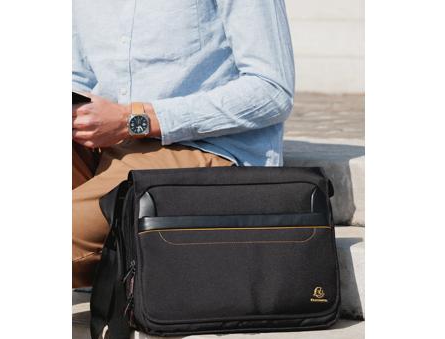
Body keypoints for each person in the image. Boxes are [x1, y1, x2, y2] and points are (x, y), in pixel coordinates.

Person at [72, 0, 295, 287]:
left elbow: (271, 92)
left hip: (201, 149)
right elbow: (79, 76)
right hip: (102, 143)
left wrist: (133, 120)